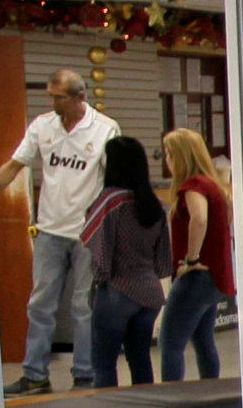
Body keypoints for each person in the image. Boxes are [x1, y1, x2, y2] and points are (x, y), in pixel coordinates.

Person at [0, 69, 118, 395]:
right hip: (49, 230)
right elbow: (14, 165)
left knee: (83, 306)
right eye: (51, 96)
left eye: (58, 97)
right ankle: (35, 375)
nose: (53, 102)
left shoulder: (105, 130)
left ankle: (85, 375)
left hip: (87, 234)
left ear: (79, 97)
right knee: (40, 304)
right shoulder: (42, 126)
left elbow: (116, 182)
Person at [78, 135, 171, 389]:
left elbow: (95, 243)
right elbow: (164, 259)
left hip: (117, 290)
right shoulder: (156, 205)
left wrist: (100, 279)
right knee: (140, 357)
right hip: (150, 293)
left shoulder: (110, 201)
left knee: (103, 361)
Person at [158, 129, 235, 381]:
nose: (166, 159)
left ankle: (171, 395)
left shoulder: (193, 186)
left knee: (170, 344)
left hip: (196, 276)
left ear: (181, 156)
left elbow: (199, 219)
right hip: (215, 277)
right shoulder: (214, 185)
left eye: (169, 154)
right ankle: (211, 390)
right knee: (203, 340)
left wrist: (192, 258)